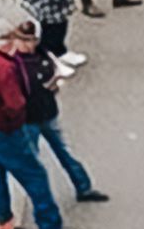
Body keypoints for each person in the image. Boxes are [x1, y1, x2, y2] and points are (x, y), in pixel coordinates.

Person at [0, 21, 79, 229]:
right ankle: (49, 225)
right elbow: (15, 104)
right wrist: (15, 124)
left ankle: (2, 225)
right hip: (2, 131)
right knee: (35, 176)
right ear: (9, 42)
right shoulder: (3, 67)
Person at [17, 19, 105, 205]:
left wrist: (54, 85)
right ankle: (36, 200)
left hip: (49, 114)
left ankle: (83, 187)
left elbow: (54, 75)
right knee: (31, 163)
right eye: (23, 40)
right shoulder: (14, 65)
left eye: (30, 40)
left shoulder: (43, 56)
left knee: (66, 153)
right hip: (28, 120)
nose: (27, 44)